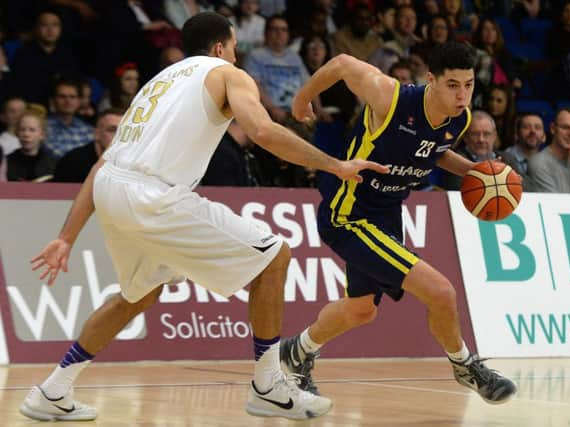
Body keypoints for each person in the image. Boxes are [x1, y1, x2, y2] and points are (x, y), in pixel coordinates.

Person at [21, 12, 388, 422]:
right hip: (153, 195)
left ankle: (52, 391)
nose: (236, 56)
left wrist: (67, 236)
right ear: (220, 48)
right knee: (275, 256)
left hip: (111, 188)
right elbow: (263, 133)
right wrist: (335, 165)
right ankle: (267, 385)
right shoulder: (227, 74)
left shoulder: (156, 84)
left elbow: (102, 165)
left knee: (137, 295)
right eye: (233, 48)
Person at [279, 41, 517, 404]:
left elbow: (432, 152)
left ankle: (298, 351)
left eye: (468, 85)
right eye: (453, 85)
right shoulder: (391, 98)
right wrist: (302, 98)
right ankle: (465, 366)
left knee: (361, 310)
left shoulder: (460, 119)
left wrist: (473, 171)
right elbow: (343, 63)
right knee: (441, 292)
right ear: (431, 79)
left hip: (387, 212)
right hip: (348, 214)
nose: (462, 95)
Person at [53, 108, 124, 183]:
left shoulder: (130, 162)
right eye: (113, 130)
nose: (119, 136)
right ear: (96, 134)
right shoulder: (73, 163)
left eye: (123, 131)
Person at [441, 110, 499, 190]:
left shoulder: (508, 158)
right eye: (475, 134)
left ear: (494, 136)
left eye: (486, 134)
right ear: (465, 137)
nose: (481, 139)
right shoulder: (455, 161)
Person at [500, 113, 546, 190]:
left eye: (537, 128)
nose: (533, 131)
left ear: (544, 136)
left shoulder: (546, 160)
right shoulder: (505, 158)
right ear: (517, 134)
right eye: (526, 127)